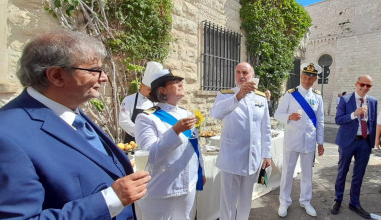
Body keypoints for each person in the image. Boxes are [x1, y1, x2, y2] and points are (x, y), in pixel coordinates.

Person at [0, 31, 151, 219]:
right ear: (56, 76)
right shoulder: (2, 139)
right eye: (94, 70)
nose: (104, 78)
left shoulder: (70, 112)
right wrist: (110, 200)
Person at [135, 66, 206, 219]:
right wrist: (175, 131)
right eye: (174, 82)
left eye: (180, 81)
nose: (181, 83)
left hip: (189, 185)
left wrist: (202, 171)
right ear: (162, 90)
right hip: (162, 189)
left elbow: (195, 147)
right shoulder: (146, 118)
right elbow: (149, 155)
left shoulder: (185, 113)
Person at [210, 62, 272, 220]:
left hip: (252, 158)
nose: (241, 76)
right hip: (231, 158)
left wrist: (267, 154)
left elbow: (265, 128)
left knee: (246, 199)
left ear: (252, 76)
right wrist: (239, 96)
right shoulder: (226, 94)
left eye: (245, 72)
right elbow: (216, 114)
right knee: (228, 201)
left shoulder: (260, 98)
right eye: (238, 72)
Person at [274, 63, 324, 217]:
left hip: (309, 141)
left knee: (307, 174)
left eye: (310, 78)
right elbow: (277, 114)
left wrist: (320, 142)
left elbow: (320, 120)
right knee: (287, 173)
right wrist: (289, 116)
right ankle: (284, 202)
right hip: (292, 140)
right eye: (304, 77)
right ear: (301, 76)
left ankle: (306, 201)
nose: (307, 81)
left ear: (315, 79)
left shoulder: (317, 96)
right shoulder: (291, 94)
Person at [330, 75, 377, 219]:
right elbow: (338, 119)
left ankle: (354, 202)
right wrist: (353, 114)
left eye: (368, 86)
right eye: (362, 84)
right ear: (356, 84)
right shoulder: (345, 99)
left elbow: (373, 122)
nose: (364, 88)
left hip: (364, 142)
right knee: (342, 172)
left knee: (359, 174)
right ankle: (338, 200)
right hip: (347, 142)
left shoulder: (373, 101)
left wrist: (373, 142)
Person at [119, 62, 157, 143]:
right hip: (132, 141)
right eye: (149, 89)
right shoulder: (129, 100)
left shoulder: (156, 103)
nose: (151, 93)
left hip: (151, 140)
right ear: (141, 86)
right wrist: (140, 132)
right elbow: (123, 121)